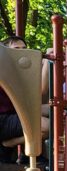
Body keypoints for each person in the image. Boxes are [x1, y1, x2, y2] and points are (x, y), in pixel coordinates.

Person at [0, 35, 27, 163]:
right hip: (2, 118)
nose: (21, 52)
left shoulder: (19, 71)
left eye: (24, 49)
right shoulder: (4, 69)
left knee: (55, 113)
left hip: (12, 114)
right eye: (16, 48)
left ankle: (28, 155)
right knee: (46, 125)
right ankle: (9, 144)